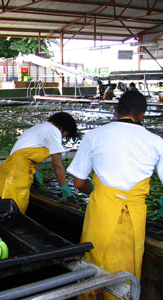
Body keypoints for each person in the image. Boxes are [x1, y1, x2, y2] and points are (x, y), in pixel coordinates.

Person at [67, 91, 163, 299]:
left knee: (93, 263)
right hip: (134, 217)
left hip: (101, 214)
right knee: (127, 266)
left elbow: (78, 182)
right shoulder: (157, 142)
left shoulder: (94, 135)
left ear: (115, 111)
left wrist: (96, 191)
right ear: (142, 115)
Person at [0, 112, 78, 214]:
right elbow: (58, 165)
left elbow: (25, 159)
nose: (64, 137)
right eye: (67, 134)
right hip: (14, 179)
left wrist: (38, 180)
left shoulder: (39, 129)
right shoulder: (54, 131)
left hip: (4, 174)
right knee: (11, 215)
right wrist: (66, 192)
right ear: (64, 127)